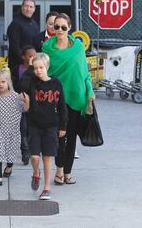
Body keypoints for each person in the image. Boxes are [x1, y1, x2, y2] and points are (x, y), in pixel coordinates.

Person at [42, 13, 95, 185]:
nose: (59, 30)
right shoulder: (47, 48)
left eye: (63, 27)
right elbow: (44, 73)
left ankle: (68, 172)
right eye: (56, 27)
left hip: (75, 96)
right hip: (56, 98)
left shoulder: (78, 46)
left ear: (69, 28)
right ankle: (58, 171)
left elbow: (84, 73)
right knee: (59, 136)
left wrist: (89, 93)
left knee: (71, 136)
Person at [20, 53, 67, 200]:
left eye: (41, 67)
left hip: (51, 126)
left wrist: (63, 126)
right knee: (34, 157)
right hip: (34, 125)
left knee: (47, 157)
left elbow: (62, 106)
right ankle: (36, 173)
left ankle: (46, 188)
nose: (38, 70)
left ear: (47, 67)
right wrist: (31, 65)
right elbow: (21, 85)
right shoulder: (32, 82)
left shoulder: (56, 83)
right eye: (36, 68)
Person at [6, 0, 39, 165]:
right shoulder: (15, 24)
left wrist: (36, 64)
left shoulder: (34, 24)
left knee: (31, 110)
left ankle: (30, 146)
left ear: (34, 9)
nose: (28, 8)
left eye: (31, 6)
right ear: (21, 7)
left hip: (33, 70)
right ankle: (24, 149)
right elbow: (14, 48)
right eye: (26, 6)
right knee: (22, 111)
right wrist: (26, 63)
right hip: (19, 71)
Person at [0, 70, 29, 186]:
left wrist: (26, 102)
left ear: (8, 82)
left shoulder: (16, 96)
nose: (1, 84)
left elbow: (24, 109)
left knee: (11, 153)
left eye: (3, 81)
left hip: (13, 130)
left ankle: (9, 167)